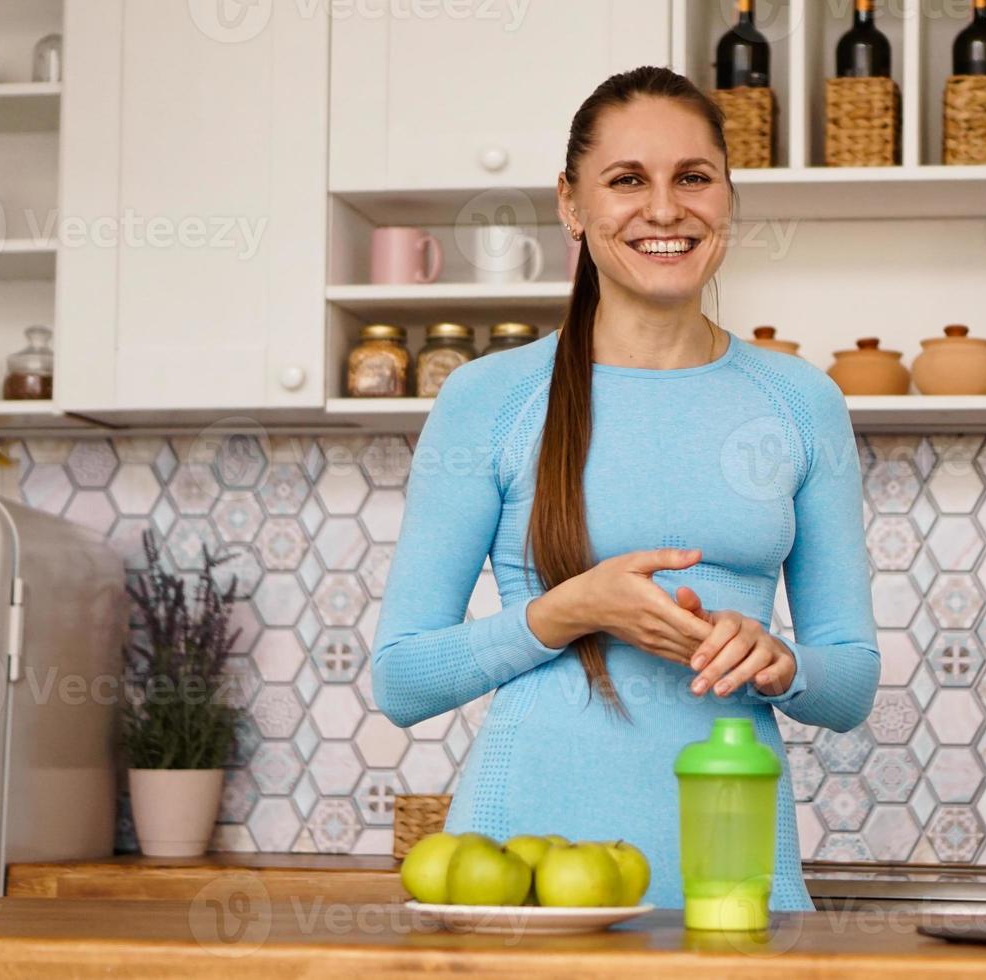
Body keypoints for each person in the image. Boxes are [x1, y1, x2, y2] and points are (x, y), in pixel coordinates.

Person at [371, 66, 878, 911]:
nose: (666, 209)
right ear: (572, 205)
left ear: (727, 197)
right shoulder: (489, 400)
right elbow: (402, 680)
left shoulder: (801, 400)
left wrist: (780, 663)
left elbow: (851, 685)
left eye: (693, 178)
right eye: (627, 181)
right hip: (520, 880)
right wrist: (570, 608)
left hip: (735, 884)